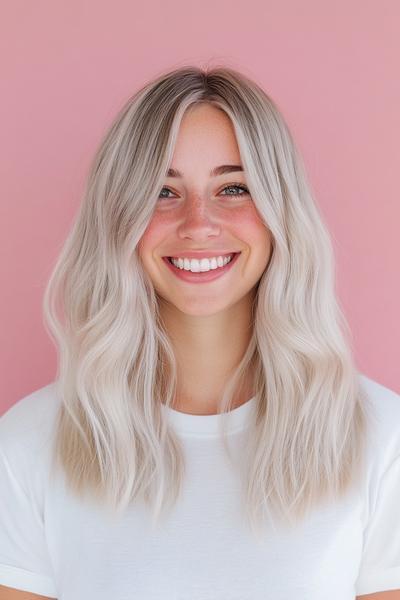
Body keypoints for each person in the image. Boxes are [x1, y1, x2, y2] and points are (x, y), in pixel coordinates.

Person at [0, 65, 399, 600]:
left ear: (281, 209)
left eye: (234, 187)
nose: (198, 222)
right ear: (119, 217)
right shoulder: (28, 444)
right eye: (163, 192)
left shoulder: (382, 440)